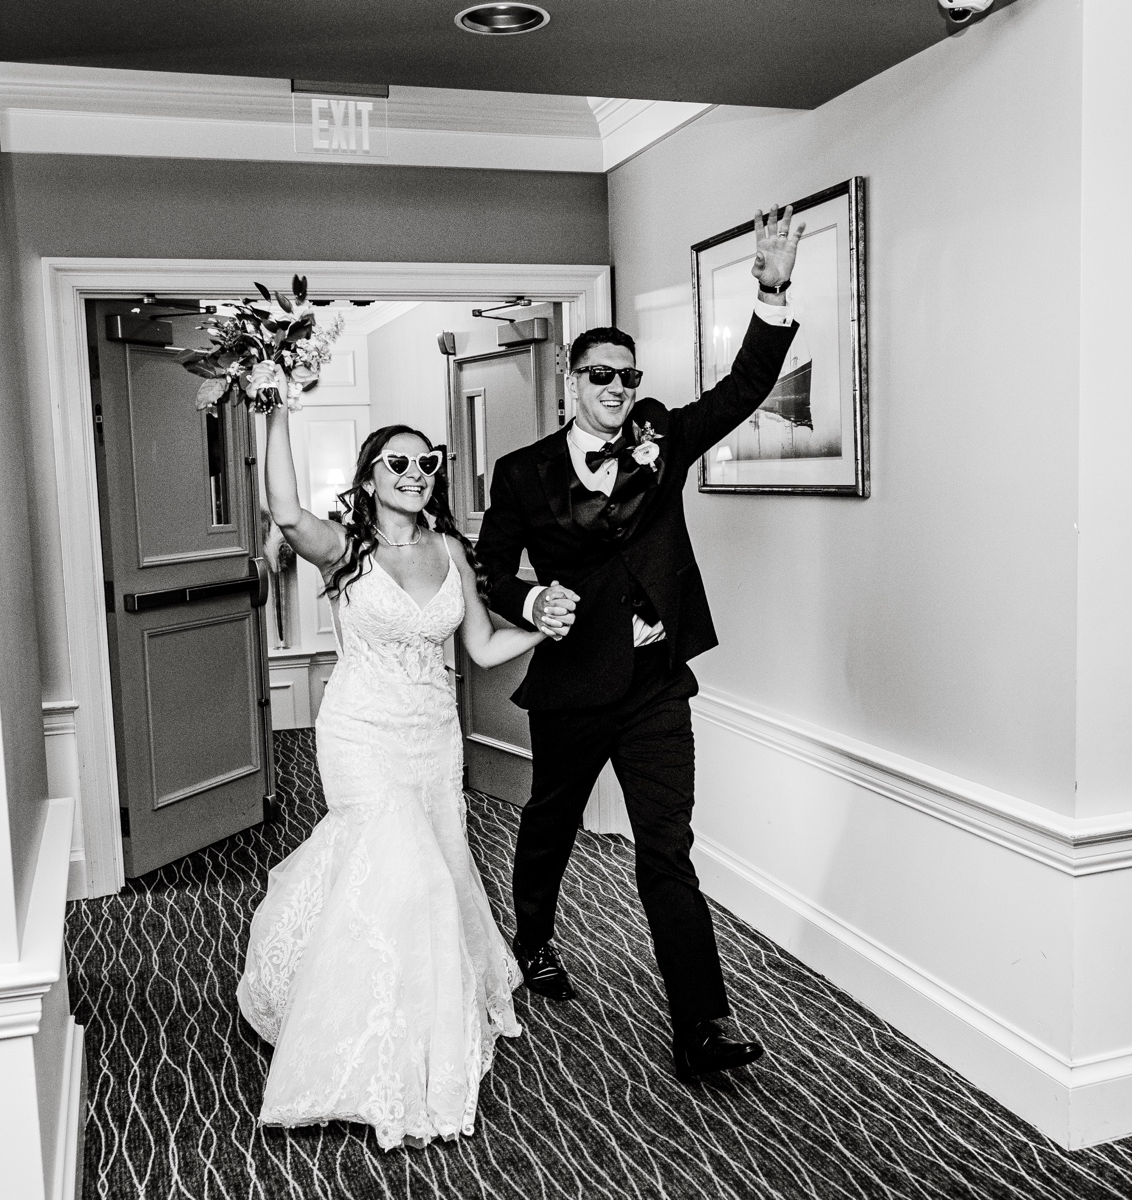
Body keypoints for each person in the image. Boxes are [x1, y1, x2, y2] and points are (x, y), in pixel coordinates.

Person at [475, 206, 805, 1082]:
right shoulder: (522, 472)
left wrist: (770, 291)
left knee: (667, 850)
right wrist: (529, 595)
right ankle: (535, 939)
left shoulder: (664, 438)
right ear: (568, 382)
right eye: (600, 375)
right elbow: (487, 568)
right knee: (550, 821)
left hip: (658, 685)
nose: (617, 387)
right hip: (575, 687)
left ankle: (703, 1023)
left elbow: (741, 390)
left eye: (627, 374)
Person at [237, 412, 572, 1150]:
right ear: (368, 479)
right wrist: (280, 403)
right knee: (402, 874)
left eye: (427, 464)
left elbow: (481, 647)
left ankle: (419, 1004)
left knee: (436, 866)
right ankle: (359, 1034)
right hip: (361, 733)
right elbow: (285, 510)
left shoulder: (451, 547)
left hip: (433, 736)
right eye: (397, 464)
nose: (415, 475)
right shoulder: (342, 548)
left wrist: (542, 631)